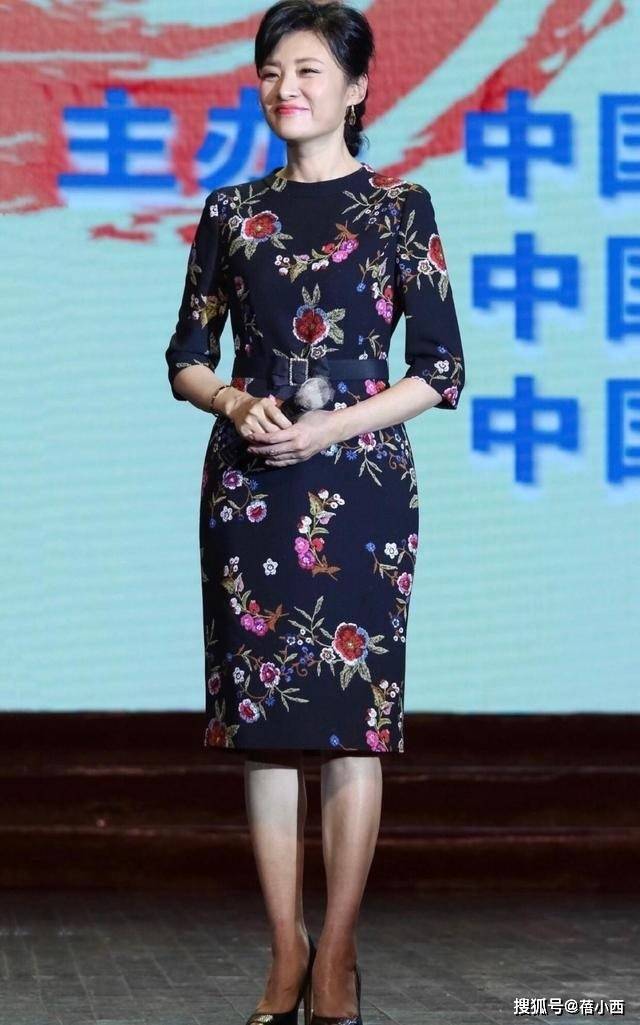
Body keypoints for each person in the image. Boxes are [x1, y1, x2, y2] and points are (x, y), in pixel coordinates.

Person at [164, 2, 465, 1022]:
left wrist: (331, 426)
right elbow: (187, 355)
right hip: (251, 486)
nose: (283, 88)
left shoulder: (400, 206)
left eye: (305, 69)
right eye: (269, 71)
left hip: (360, 489)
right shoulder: (232, 210)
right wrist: (231, 400)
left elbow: (439, 369)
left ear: (355, 87)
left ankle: (336, 955)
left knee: (351, 727)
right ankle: (283, 951)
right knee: (261, 729)